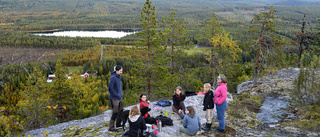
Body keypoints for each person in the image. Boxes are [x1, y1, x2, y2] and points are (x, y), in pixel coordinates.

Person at [108, 65, 123, 133]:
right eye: (120, 71)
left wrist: (120, 94)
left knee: (121, 111)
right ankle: (111, 127)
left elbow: (118, 87)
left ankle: (118, 124)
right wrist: (117, 95)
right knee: (115, 112)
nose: (121, 72)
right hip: (114, 98)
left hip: (119, 97)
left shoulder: (119, 76)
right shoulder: (113, 77)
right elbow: (110, 89)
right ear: (117, 71)